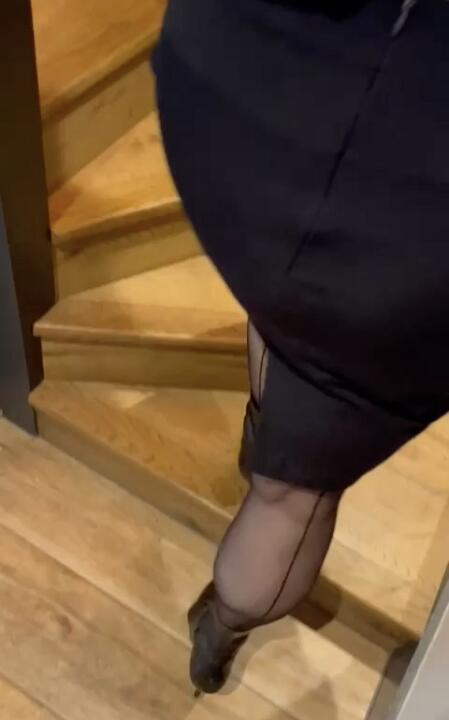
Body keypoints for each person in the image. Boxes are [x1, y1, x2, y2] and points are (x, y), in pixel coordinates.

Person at [152, 0, 449, 694]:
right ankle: (222, 625)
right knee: (294, 501)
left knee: (282, 300)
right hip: (407, 249)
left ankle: (270, 425)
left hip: (248, 104)